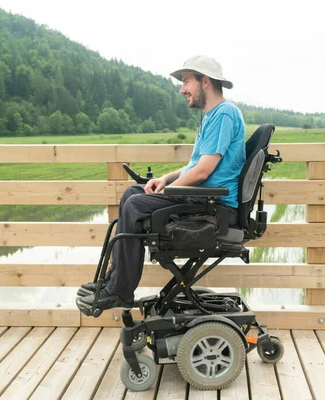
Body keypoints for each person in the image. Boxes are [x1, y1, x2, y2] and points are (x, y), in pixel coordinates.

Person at [77, 55, 246, 311]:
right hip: (204, 197)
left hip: (215, 203)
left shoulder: (224, 114)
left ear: (206, 81)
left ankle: (120, 291)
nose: (182, 89)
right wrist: (165, 180)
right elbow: (194, 166)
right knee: (132, 193)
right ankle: (113, 281)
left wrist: (168, 191)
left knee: (135, 205)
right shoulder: (211, 117)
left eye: (187, 81)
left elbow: (202, 172)